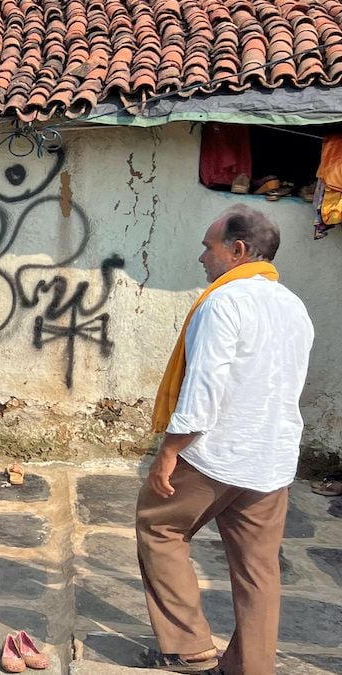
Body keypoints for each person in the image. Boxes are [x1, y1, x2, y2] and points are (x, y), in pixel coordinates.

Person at [136, 205, 313, 674]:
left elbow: (205, 388)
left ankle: (190, 647)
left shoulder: (223, 302)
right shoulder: (293, 305)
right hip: (272, 459)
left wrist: (170, 450)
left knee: (160, 527)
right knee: (259, 570)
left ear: (237, 251)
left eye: (207, 246)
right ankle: (250, 668)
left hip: (216, 454)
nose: (201, 257)